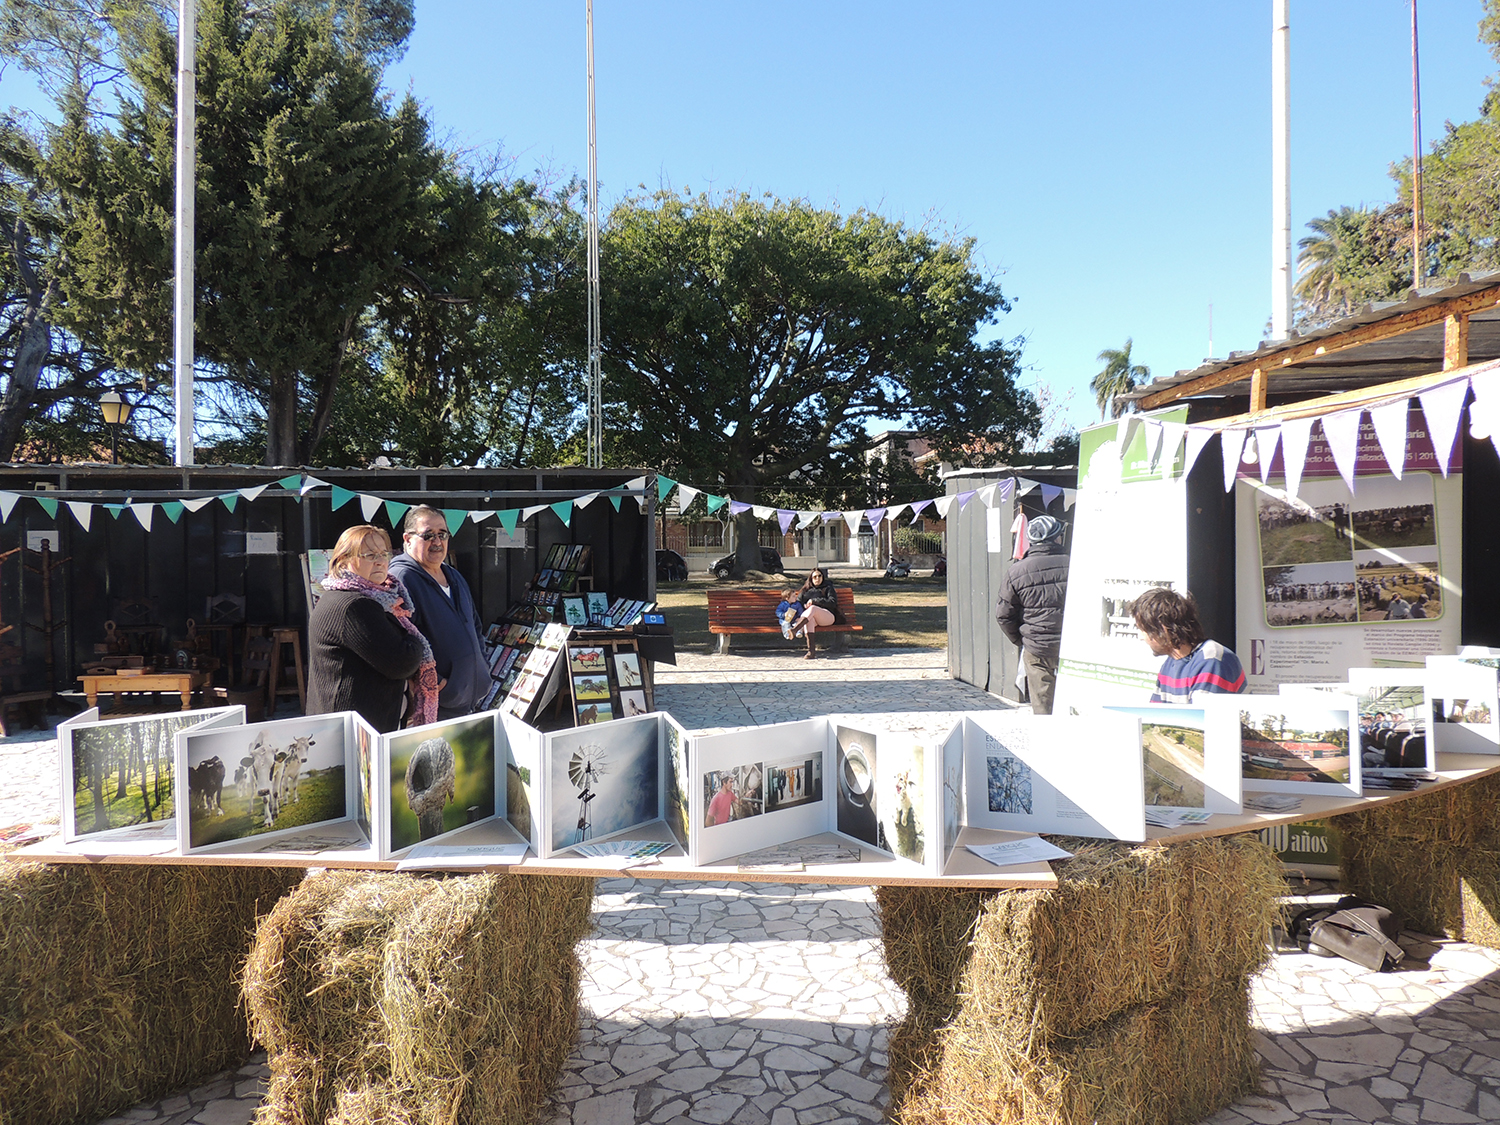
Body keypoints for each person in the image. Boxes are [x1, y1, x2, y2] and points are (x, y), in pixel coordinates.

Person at [307, 525, 438, 733]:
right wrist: (414, 638)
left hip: (353, 725)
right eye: (369, 555)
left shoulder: (361, 598)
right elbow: (401, 663)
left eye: (384, 554)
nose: (380, 561)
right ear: (344, 560)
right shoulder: (355, 605)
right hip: (353, 732)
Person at [388, 506, 492, 720]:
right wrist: (438, 683)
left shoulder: (453, 575)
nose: (437, 541)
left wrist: (482, 665)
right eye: (428, 535)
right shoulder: (401, 579)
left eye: (442, 534)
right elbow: (397, 644)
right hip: (436, 706)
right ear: (408, 539)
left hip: (470, 700)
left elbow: (475, 625)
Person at [994, 514, 1070, 715]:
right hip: (1072, 646)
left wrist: (1022, 640)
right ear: (1057, 537)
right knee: (1075, 706)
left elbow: (1003, 615)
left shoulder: (1016, 571)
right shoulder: (1075, 565)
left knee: (1042, 706)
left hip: (1036, 647)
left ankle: (1046, 734)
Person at [1131, 586, 1246, 704]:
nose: (1141, 637)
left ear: (1163, 629)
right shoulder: (1170, 662)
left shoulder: (1211, 659)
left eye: (1143, 630)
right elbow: (1156, 712)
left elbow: (1203, 713)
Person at [791, 566, 841, 659]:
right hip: (811, 617)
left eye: (819, 576)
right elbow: (798, 603)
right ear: (811, 578)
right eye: (815, 577)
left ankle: (795, 629)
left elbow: (832, 602)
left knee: (813, 608)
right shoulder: (805, 590)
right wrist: (804, 606)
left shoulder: (828, 587)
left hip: (828, 616)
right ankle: (811, 652)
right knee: (809, 620)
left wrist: (815, 601)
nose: (817, 578)